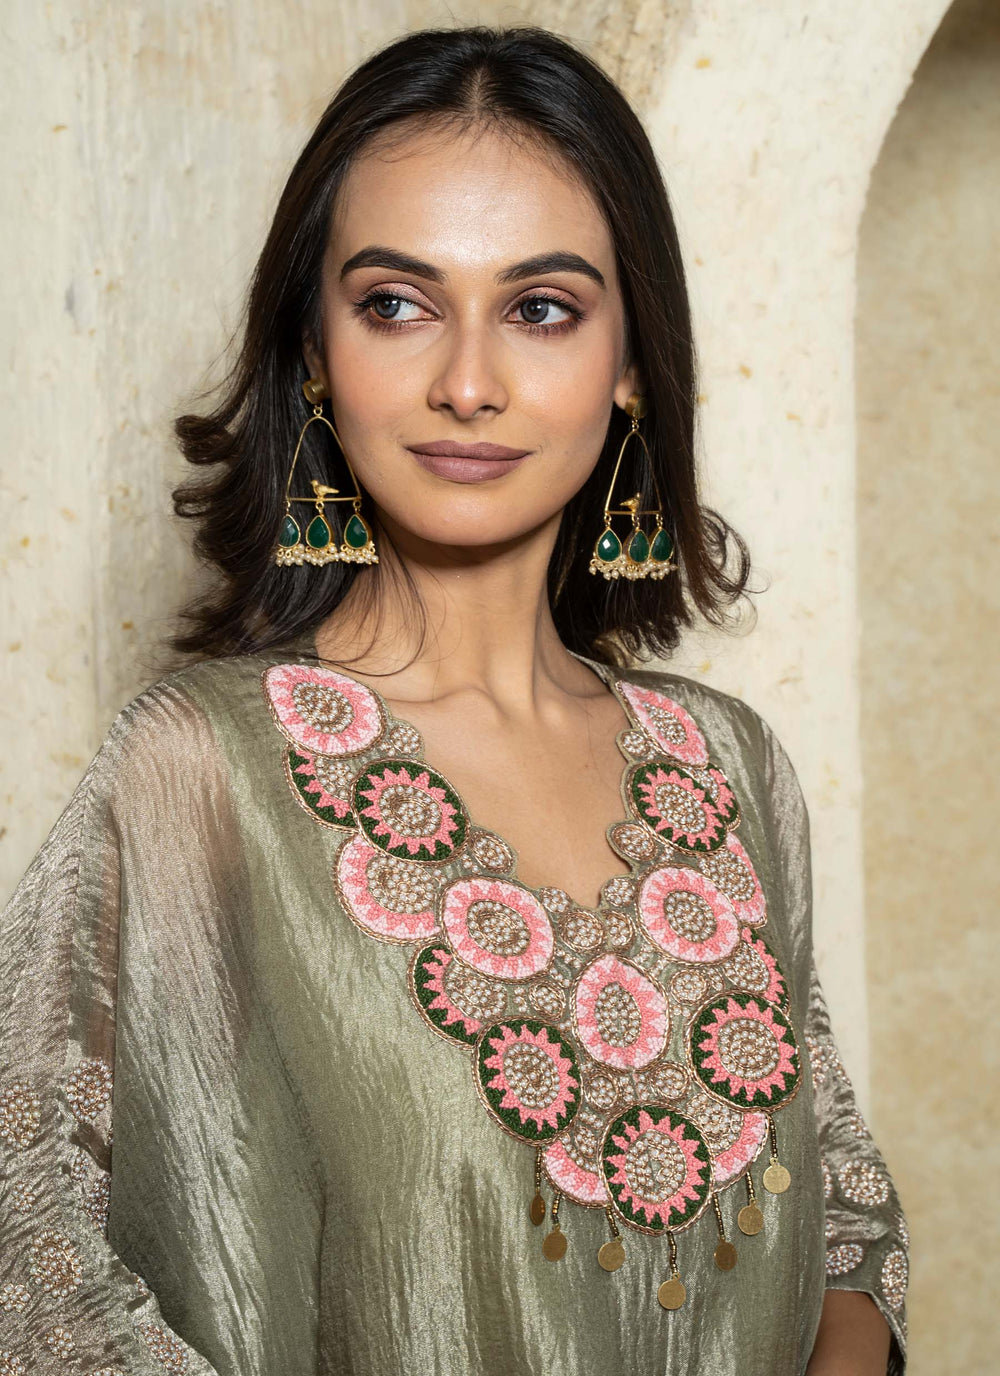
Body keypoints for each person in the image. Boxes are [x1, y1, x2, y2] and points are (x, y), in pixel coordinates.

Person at [0, 25, 908, 1376]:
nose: (468, 383)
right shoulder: (200, 769)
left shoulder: (727, 765)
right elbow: (38, 1268)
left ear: (632, 363)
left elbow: (840, 1220)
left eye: (541, 308)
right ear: (314, 354)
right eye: (397, 304)